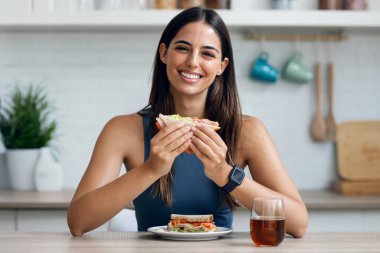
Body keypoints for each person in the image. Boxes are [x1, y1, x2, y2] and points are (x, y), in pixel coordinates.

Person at [67, 6, 308, 237]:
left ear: (221, 66)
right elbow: (78, 223)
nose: (193, 62)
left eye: (207, 53)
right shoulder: (121, 130)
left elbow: (298, 224)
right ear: (164, 53)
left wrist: (226, 175)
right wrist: (151, 169)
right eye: (182, 48)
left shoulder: (248, 131)